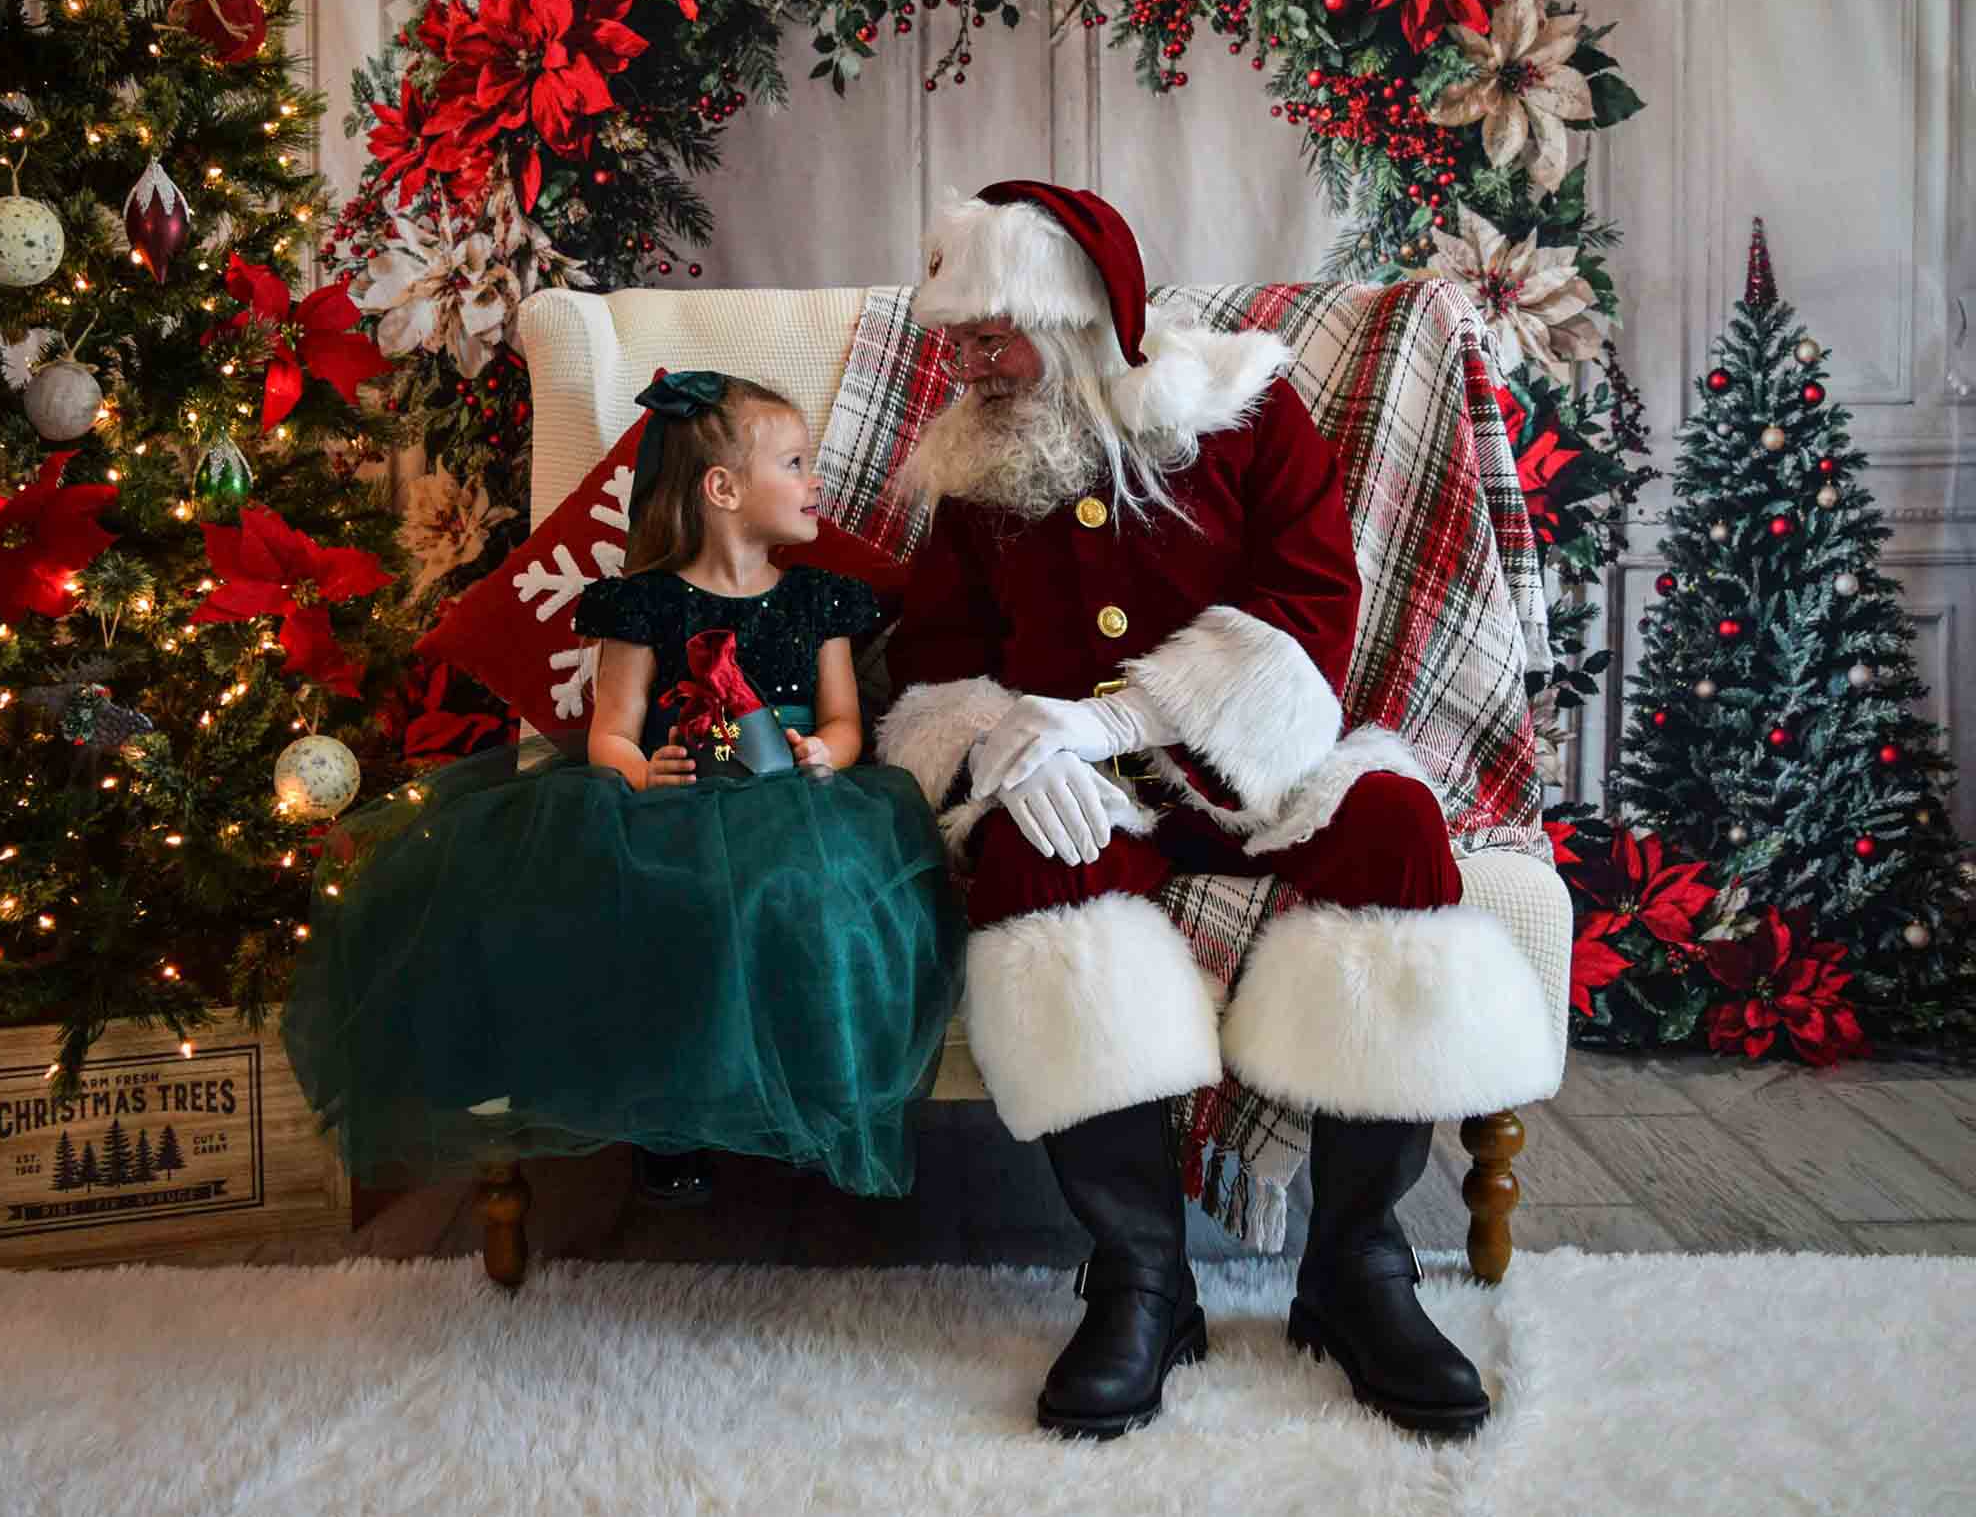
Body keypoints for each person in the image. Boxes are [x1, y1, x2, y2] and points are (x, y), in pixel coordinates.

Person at [881, 181, 1561, 1442]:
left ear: (1075, 315)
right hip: (1081, 786)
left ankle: (1356, 1272)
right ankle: (1143, 1277)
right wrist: (1003, 747)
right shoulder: (973, 470)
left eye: (989, 336)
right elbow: (932, 663)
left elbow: (1311, 616)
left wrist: (1115, 716)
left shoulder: (1244, 414)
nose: (961, 364)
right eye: (952, 338)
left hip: (1253, 762)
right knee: (1033, 865)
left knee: (1396, 834)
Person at [281, 371, 965, 1211]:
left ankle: (798, 1104)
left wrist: (824, 753)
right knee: (671, 902)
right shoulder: (644, 605)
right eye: (794, 462)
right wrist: (642, 771)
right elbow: (612, 727)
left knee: (796, 896)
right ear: (722, 489)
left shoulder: (817, 599)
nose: (814, 481)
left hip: (799, 804)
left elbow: (846, 721)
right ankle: (669, 1119)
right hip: (671, 802)